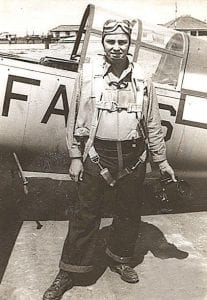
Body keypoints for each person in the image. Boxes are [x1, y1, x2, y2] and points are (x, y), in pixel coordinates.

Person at [43, 19, 176, 300]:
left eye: (122, 42)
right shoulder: (88, 74)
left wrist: (161, 160)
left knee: (128, 213)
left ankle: (120, 258)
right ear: (103, 43)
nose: (116, 48)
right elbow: (75, 117)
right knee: (85, 214)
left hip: (133, 157)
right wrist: (76, 156)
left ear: (129, 45)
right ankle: (69, 270)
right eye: (110, 42)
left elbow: (152, 121)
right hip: (97, 154)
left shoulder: (142, 77)